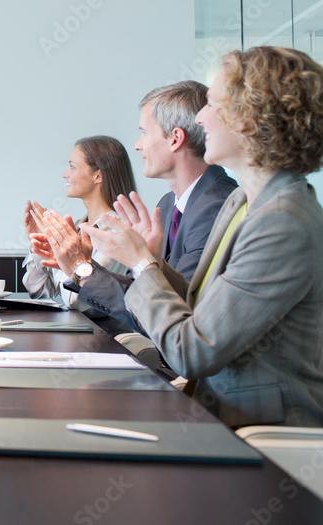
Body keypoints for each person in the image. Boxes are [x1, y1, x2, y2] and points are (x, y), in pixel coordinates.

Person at [83, 47, 323, 427]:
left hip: (259, 439)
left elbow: (192, 351)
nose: (201, 118)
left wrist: (142, 265)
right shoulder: (245, 201)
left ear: (249, 118)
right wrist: (153, 262)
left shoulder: (281, 222)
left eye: (212, 103)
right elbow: (201, 304)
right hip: (216, 414)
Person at [43, 82, 237, 332]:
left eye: (144, 132)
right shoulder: (168, 205)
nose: (137, 145)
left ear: (175, 139)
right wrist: (78, 267)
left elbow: (177, 307)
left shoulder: (216, 206)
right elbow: (143, 292)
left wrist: (83, 268)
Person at [22, 136, 135, 312]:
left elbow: (77, 301)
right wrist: (40, 243)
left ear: (98, 175)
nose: (65, 173)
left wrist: (67, 260)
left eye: (72, 166)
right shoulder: (77, 227)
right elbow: (38, 290)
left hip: (106, 336)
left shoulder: (116, 232)